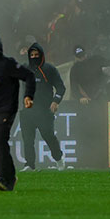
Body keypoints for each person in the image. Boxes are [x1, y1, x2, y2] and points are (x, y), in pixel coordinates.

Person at [0, 32, 35, 191]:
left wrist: (28, 95)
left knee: (0, 141)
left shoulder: (7, 64)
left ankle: (5, 180)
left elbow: (29, 76)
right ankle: (8, 176)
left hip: (6, 109)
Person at [19, 42, 67, 172]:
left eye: (37, 55)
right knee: (28, 140)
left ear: (41, 55)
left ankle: (59, 158)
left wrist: (55, 101)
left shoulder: (49, 69)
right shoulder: (25, 68)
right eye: (32, 55)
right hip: (27, 111)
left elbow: (61, 87)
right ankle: (29, 165)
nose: (34, 57)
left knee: (49, 136)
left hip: (45, 111)